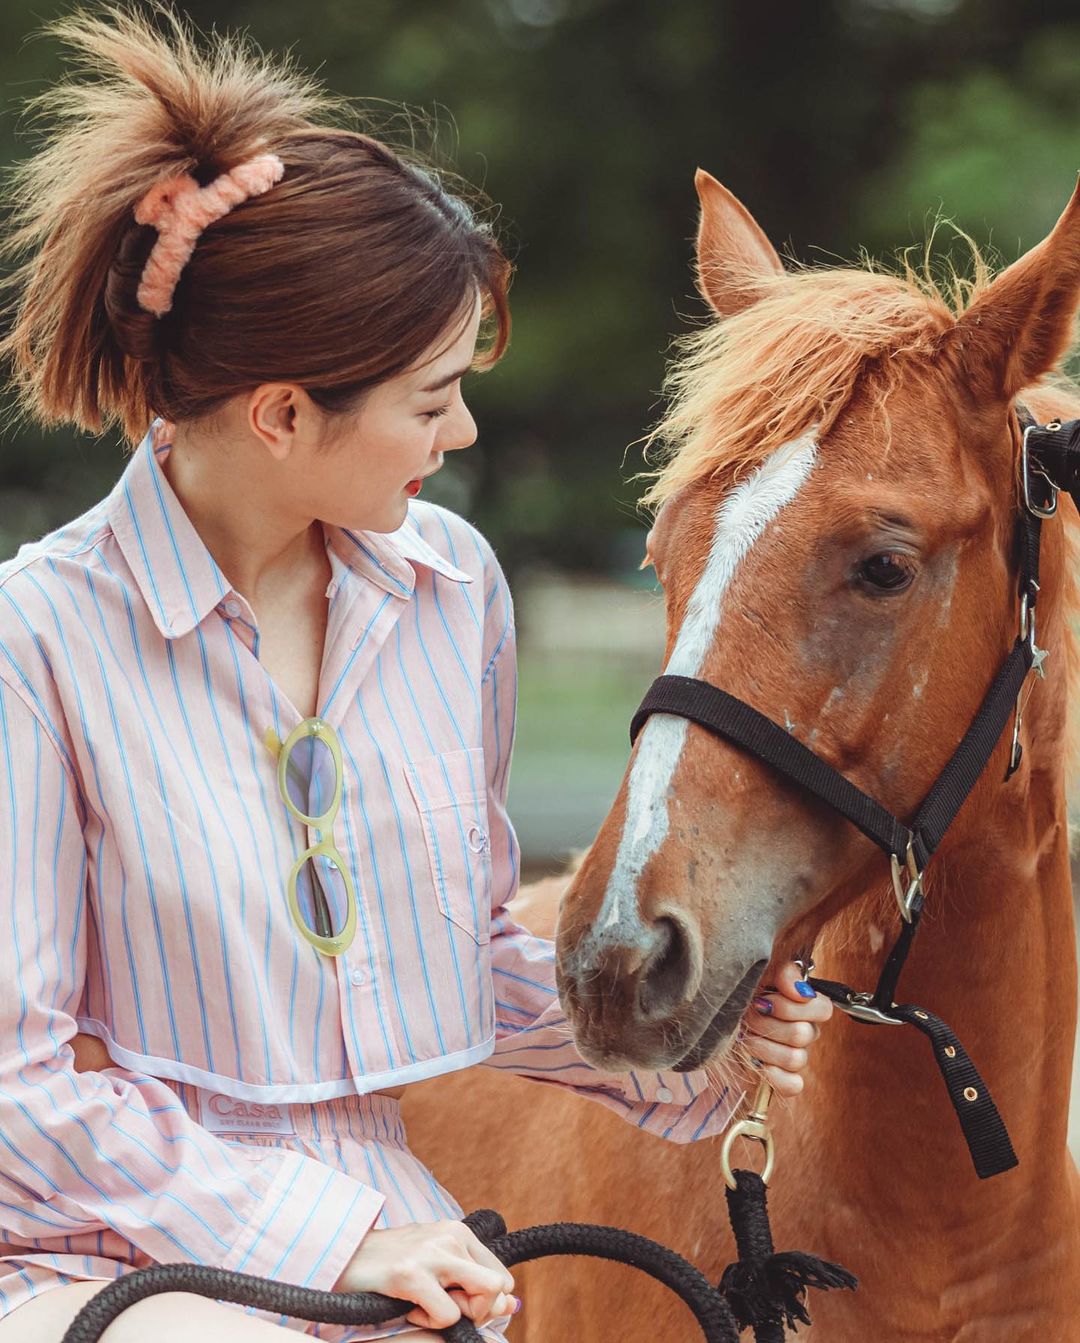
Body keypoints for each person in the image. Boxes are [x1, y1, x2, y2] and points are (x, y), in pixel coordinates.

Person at [0, 8, 832, 1342]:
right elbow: (12, 1087)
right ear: (283, 415)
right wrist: (335, 1236)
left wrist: (690, 1046)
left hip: (409, 1260)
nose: (463, 430)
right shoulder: (33, 642)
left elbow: (445, 972)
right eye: (432, 397)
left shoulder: (450, 593)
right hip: (103, 1266)